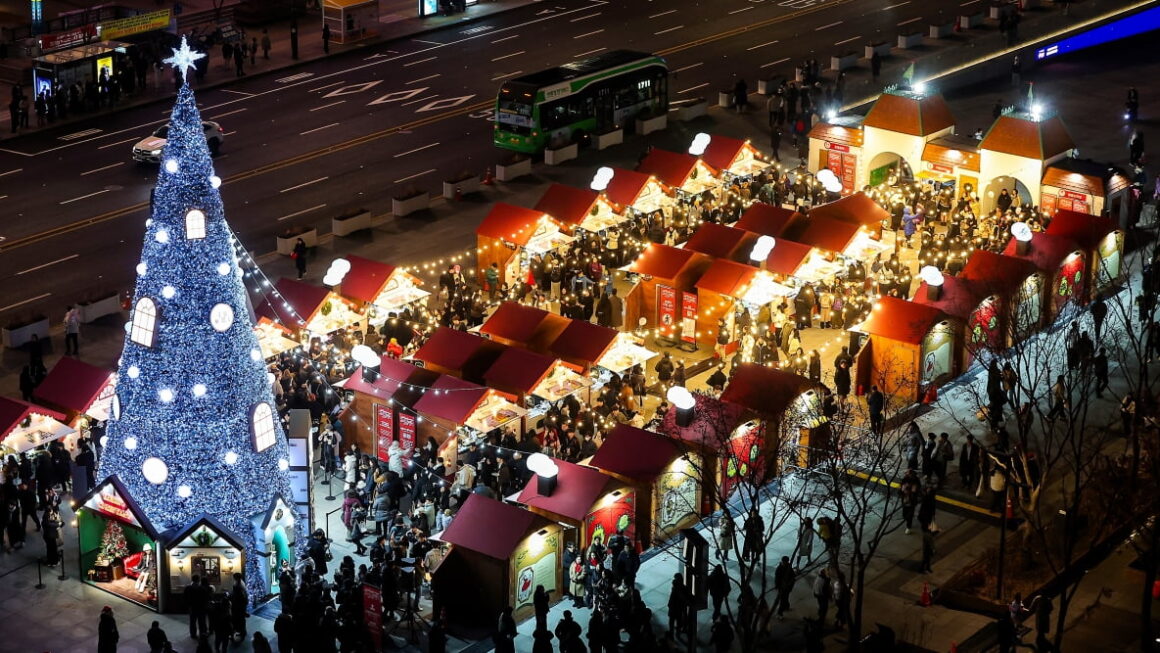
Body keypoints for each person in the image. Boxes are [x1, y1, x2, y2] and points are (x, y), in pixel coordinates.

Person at [900, 469, 921, 534]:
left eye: (907, 473)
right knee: (904, 515)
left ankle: (908, 527)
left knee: (910, 515)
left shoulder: (915, 481)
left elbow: (916, 490)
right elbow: (900, 489)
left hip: (911, 501)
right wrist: (903, 490)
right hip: (905, 500)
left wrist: (912, 491)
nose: (906, 473)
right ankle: (908, 520)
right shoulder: (905, 479)